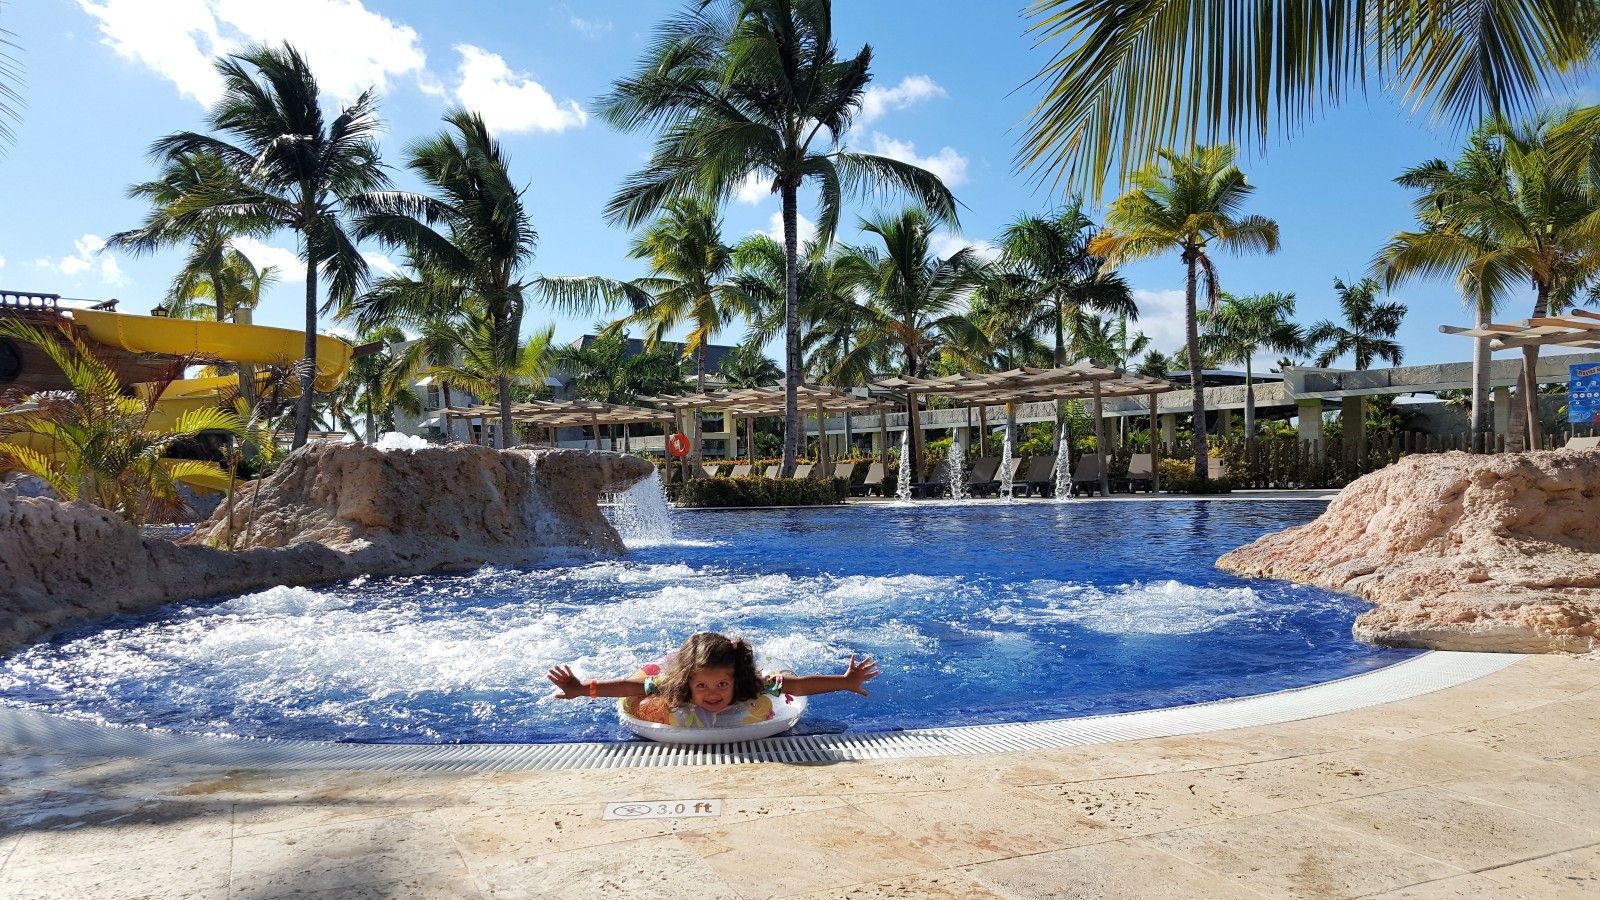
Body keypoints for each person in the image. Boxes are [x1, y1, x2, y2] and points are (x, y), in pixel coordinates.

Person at [546, 631, 879, 727]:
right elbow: (630, 687)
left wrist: (845, 681)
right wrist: (581, 689)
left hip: (759, 676)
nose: (713, 693)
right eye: (702, 686)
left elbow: (798, 686)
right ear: (688, 683)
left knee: (779, 677)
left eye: (722, 684)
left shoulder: (750, 685)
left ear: (734, 680)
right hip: (673, 678)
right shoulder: (673, 686)